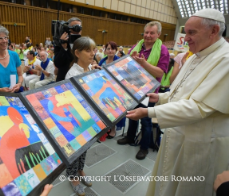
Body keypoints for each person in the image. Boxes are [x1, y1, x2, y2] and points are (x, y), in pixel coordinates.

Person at [126, 9, 229, 196]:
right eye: (186, 32)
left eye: (192, 33)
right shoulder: (195, 55)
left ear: (214, 31)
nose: (185, 38)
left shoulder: (225, 60)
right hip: (177, 133)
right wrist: (161, 97)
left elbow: (200, 106)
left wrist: (149, 112)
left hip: (201, 142)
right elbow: (181, 93)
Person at [117, 21, 169, 160]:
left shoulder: (163, 50)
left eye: (152, 33)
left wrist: (143, 63)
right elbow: (126, 65)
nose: (148, 35)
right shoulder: (136, 47)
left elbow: (159, 73)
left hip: (149, 92)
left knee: (146, 121)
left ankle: (144, 147)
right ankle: (130, 137)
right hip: (133, 88)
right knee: (132, 116)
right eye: (146, 32)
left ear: (158, 34)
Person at [65, 36, 95, 196]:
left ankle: (80, 169)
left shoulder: (89, 69)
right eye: (88, 50)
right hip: (75, 118)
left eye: (94, 50)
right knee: (75, 148)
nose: (92, 54)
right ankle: (72, 177)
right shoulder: (72, 74)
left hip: (88, 115)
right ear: (77, 52)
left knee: (85, 147)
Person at [98, 41, 126, 139]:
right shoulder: (102, 61)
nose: (110, 51)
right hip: (103, 87)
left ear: (116, 50)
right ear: (105, 50)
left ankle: (113, 129)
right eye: (108, 48)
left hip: (115, 89)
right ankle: (105, 128)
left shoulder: (119, 61)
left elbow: (122, 76)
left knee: (113, 109)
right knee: (104, 109)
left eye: (112, 48)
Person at [54, 17, 82, 81]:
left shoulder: (84, 43)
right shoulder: (60, 43)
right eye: (75, 27)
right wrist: (64, 47)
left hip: (79, 79)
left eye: (79, 28)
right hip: (64, 79)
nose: (77, 30)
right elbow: (58, 63)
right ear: (68, 29)